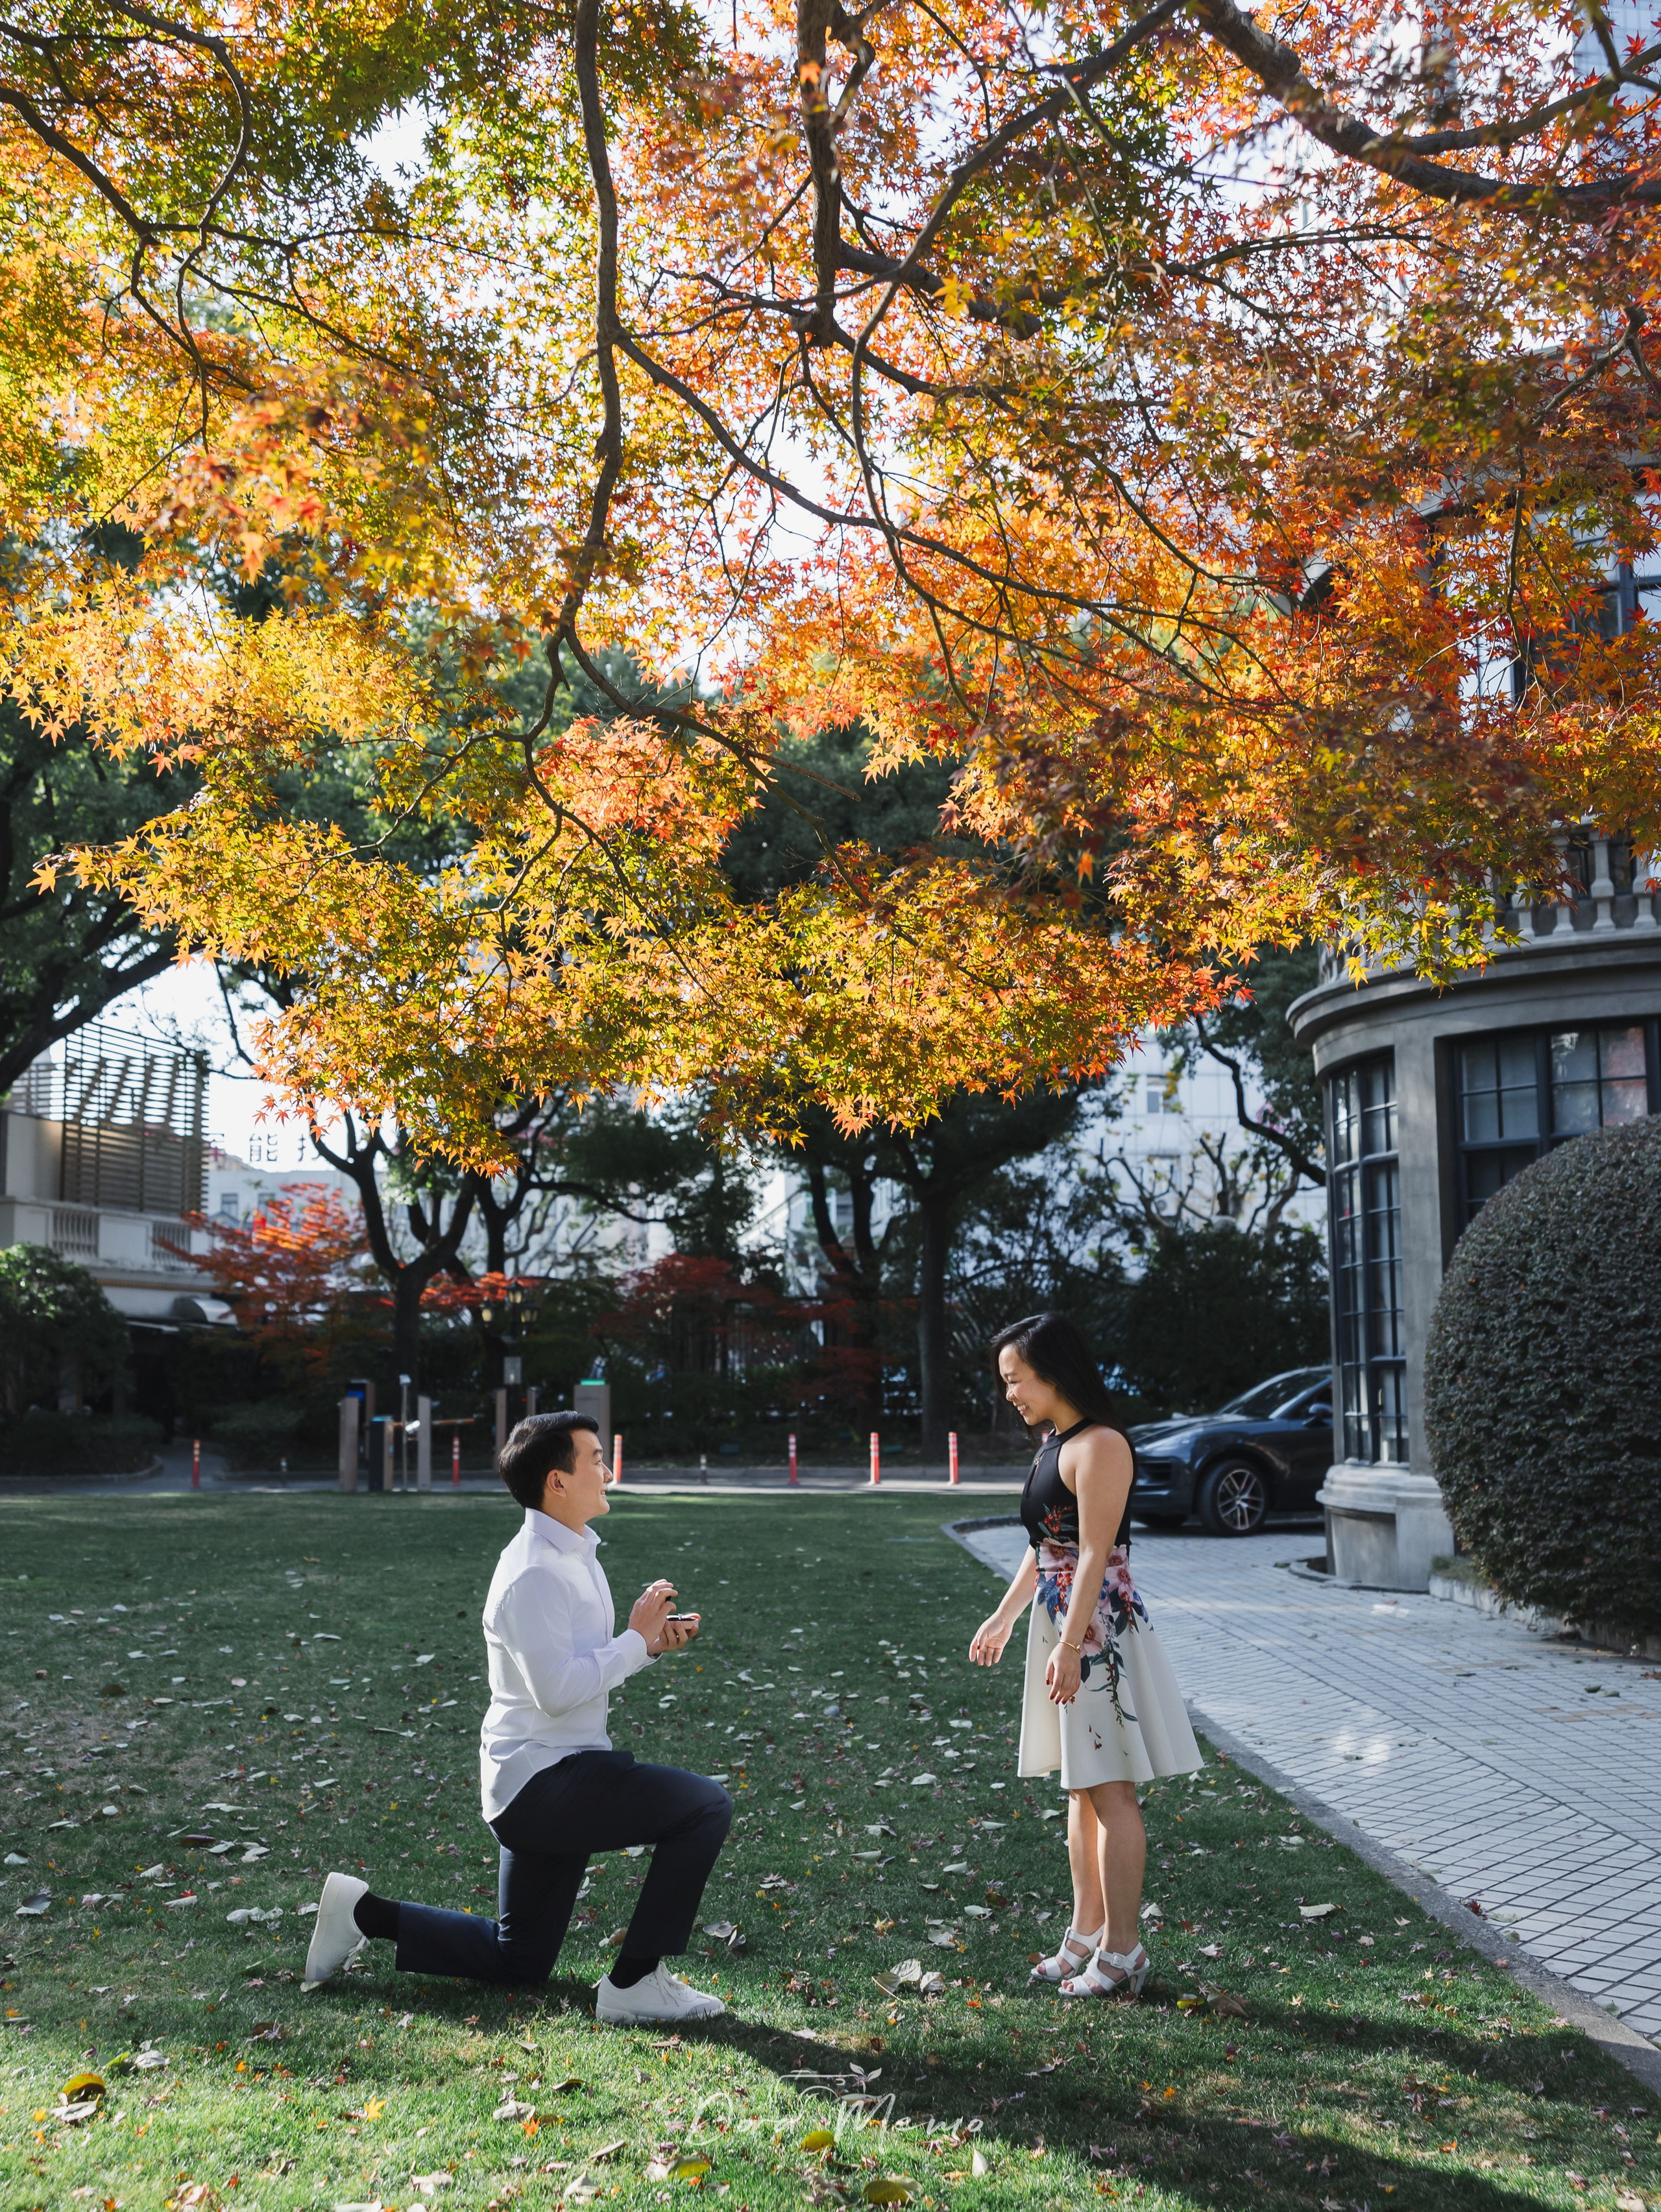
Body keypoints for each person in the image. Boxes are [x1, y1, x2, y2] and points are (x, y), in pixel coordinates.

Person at [303, 1411, 733, 2024]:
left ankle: (362, 1913)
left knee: (519, 1960)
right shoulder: (533, 1571)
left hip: (551, 1776)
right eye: (594, 1461)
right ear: (557, 1482)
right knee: (705, 1806)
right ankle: (636, 1981)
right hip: (542, 1784)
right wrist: (634, 1641)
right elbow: (557, 1691)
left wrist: (647, 1645)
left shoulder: (573, 1551)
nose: (607, 1471)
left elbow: (577, 1670)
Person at [969, 1312, 1200, 1999]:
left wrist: (1072, 1645)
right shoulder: (1053, 1443)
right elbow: (1045, 1546)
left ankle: (1124, 1949)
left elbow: (1096, 1552)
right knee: (1080, 1786)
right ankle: (1086, 1931)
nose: (1009, 1391)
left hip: (1096, 1630)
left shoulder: (1100, 1444)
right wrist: (1005, 1616)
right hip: (1061, 1620)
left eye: (1017, 1378)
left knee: (1112, 1789)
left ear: (1054, 1371)